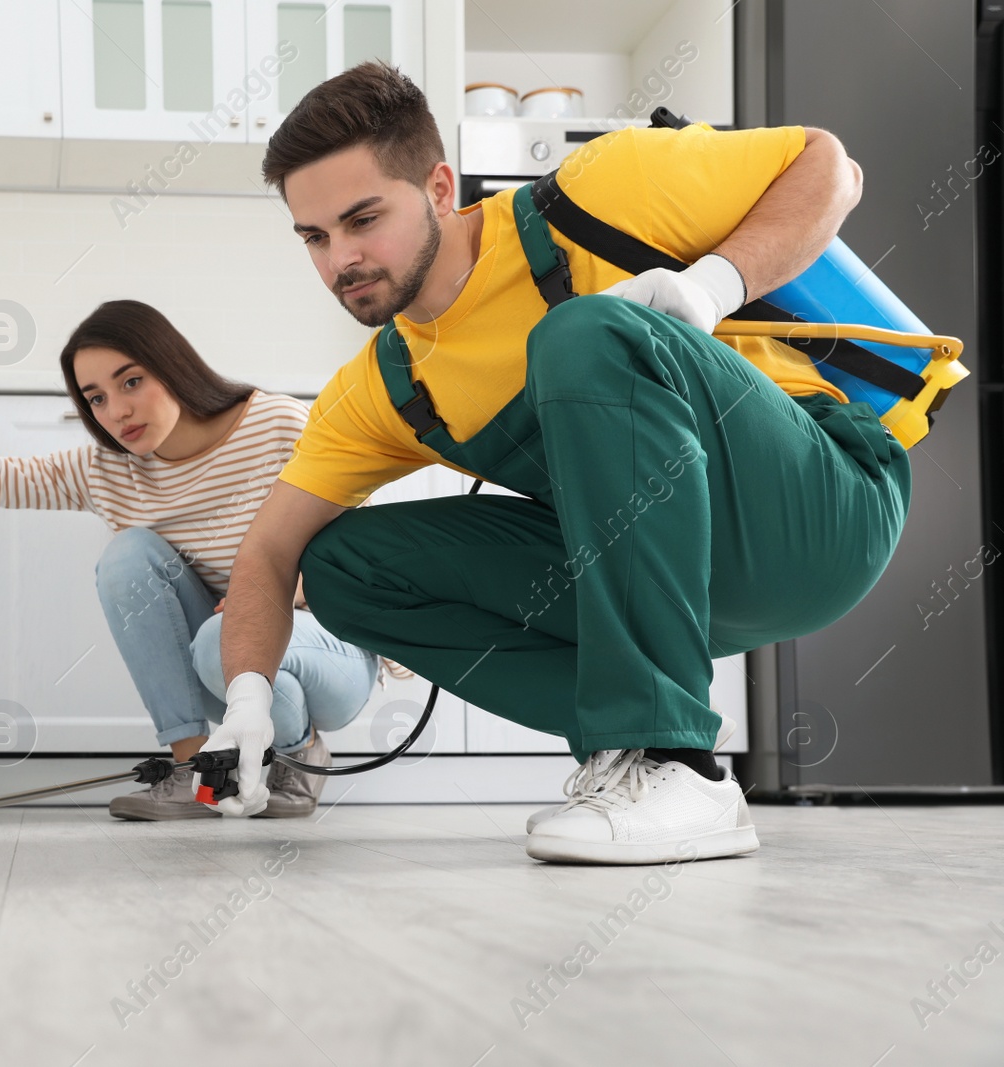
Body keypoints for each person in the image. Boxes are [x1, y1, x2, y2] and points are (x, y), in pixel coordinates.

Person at [212, 62, 908, 864]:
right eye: (315, 237)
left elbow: (829, 166)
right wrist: (248, 702)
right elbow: (268, 552)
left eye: (362, 218)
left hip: (818, 509)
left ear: (439, 187)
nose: (341, 259)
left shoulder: (598, 193)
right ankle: (629, 754)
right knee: (343, 567)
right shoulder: (384, 388)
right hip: (684, 588)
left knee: (583, 333)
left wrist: (711, 287)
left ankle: (679, 760)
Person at [0, 264, 384, 820]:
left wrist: (287, 594)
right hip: (226, 652)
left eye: (131, 381)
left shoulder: (280, 426)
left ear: (171, 366)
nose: (116, 412)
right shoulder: (106, 470)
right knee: (128, 555)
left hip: (330, 648)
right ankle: (194, 774)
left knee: (225, 634)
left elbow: (368, 550)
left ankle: (299, 756)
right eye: (94, 398)